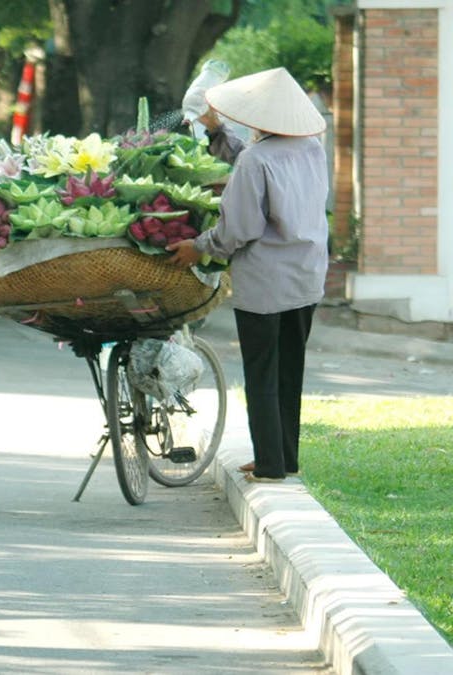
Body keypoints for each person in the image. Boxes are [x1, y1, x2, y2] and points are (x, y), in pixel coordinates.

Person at [166, 67, 329, 483]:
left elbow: (238, 229)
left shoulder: (255, 161)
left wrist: (198, 247)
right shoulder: (312, 147)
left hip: (265, 281)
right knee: (290, 367)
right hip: (307, 273)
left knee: (261, 369)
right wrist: (219, 130)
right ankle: (284, 457)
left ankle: (270, 463)